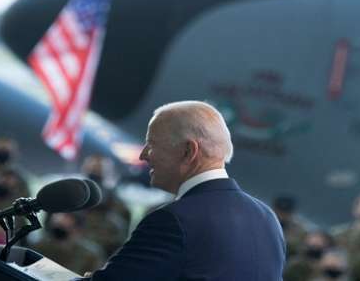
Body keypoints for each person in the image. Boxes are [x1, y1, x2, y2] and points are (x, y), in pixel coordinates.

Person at [80, 100, 285, 280]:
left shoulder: (173, 220)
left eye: (152, 144)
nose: (143, 156)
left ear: (189, 151)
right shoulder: (267, 218)